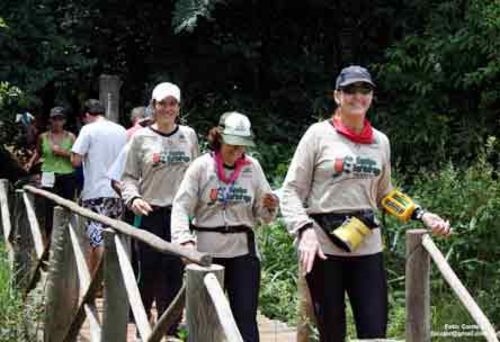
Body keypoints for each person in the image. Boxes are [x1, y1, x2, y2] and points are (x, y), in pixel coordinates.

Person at [280, 65, 451, 342]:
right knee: (329, 332)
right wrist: (303, 230)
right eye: (350, 90)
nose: (357, 96)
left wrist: (422, 214)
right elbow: (290, 191)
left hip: (366, 246)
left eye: (365, 90)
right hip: (323, 248)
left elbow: (385, 194)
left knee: (374, 332)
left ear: (371, 96)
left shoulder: (380, 141)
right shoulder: (317, 135)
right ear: (337, 96)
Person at [171, 112, 279, 342]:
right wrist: (184, 242)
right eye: (233, 143)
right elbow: (181, 206)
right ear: (219, 137)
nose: (237, 149)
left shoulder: (253, 168)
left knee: (245, 319)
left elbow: (264, 215)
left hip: (243, 252)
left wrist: (270, 207)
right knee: (203, 319)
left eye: (242, 144)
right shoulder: (201, 167)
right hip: (206, 253)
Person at [121, 82, 199, 335]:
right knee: (149, 272)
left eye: (172, 103)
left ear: (178, 107)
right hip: (149, 213)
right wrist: (133, 199)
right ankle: (144, 327)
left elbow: (199, 173)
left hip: (180, 215)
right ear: (153, 107)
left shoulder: (188, 135)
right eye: (162, 103)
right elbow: (128, 176)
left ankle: (171, 327)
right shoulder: (140, 138)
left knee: (175, 273)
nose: (167, 108)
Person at [71, 99, 127, 274]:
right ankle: (111, 280)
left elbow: (75, 160)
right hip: (118, 191)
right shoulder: (121, 130)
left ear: (87, 115)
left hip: (95, 192)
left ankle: (96, 285)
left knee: (97, 239)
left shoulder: (88, 130)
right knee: (114, 237)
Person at [26, 106, 76, 236]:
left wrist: (62, 152)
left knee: (67, 205)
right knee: (49, 206)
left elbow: (76, 157)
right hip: (48, 173)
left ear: (64, 121)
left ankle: (66, 234)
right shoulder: (43, 137)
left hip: (67, 175)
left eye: (60, 119)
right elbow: (38, 152)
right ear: (50, 120)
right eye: (54, 119)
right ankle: (49, 236)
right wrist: (30, 163)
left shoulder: (71, 137)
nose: (57, 122)